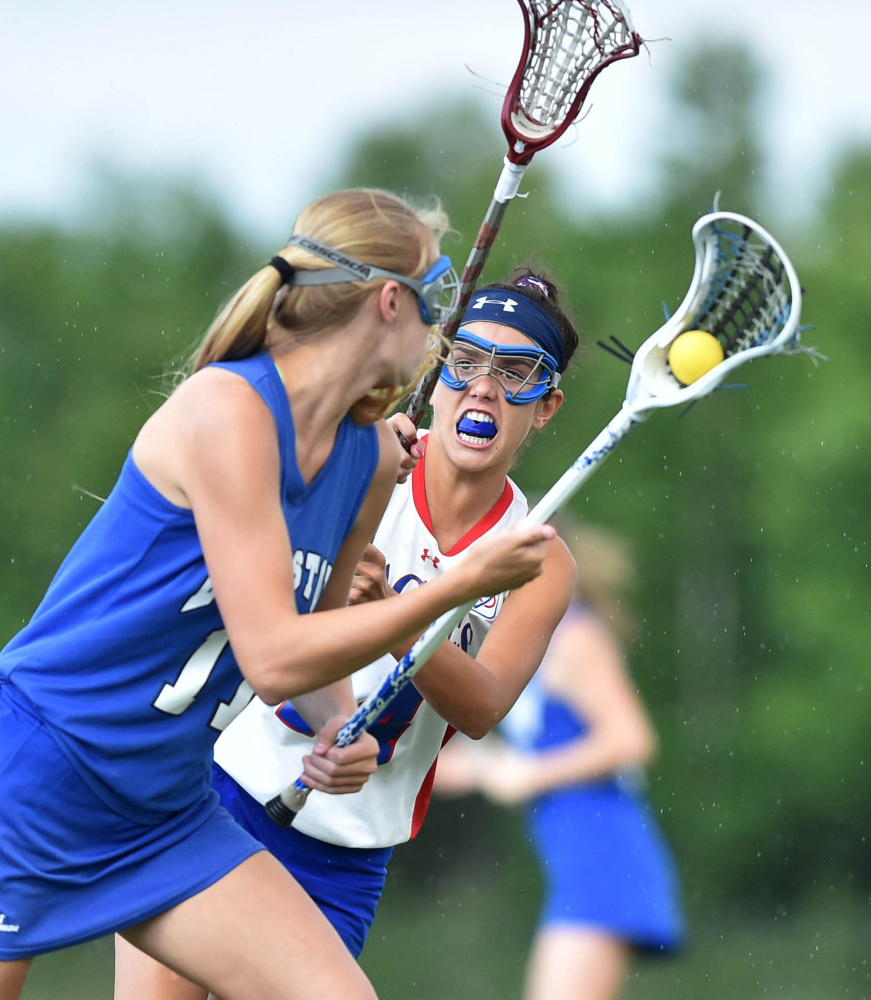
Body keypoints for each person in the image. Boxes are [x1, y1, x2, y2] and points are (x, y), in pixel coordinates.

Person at [0, 188, 559, 1000]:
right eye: (437, 305)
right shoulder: (227, 411)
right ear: (390, 303)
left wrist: (337, 721)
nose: (443, 341)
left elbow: (318, 630)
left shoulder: (366, 458)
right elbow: (268, 656)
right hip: (39, 776)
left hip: (163, 810)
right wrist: (453, 591)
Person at [114, 267, 581, 999]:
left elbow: (483, 707)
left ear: (546, 405)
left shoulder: (537, 559)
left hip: (344, 854)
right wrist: (347, 461)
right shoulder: (369, 458)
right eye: (465, 361)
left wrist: (399, 615)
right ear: (441, 368)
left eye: (515, 372)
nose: (483, 387)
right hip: (220, 793)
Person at [436, 522, 686, 1000]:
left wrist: (531, 774)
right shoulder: (521, 646)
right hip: (577, 863)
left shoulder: (574, 637)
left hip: (605, 858)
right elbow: (487, 764)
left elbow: (631, 739)